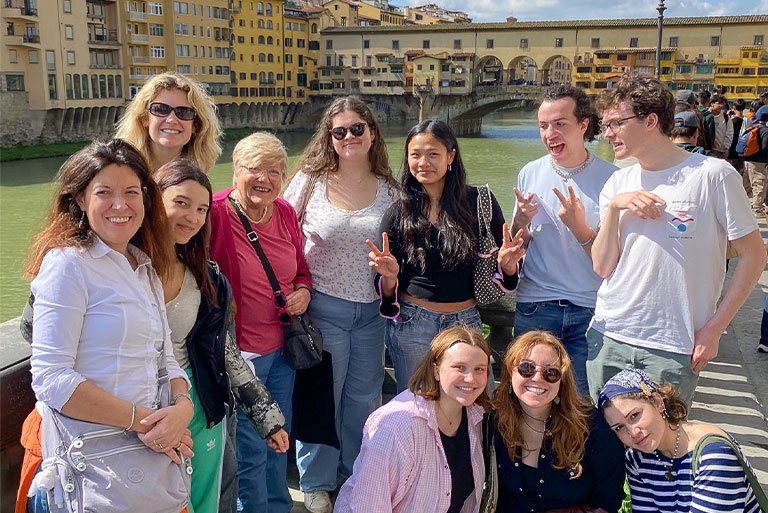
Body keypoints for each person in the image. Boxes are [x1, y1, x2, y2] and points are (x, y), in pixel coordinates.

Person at [25, 139, 192, 511]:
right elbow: (51, 378)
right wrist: (145, 422)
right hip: (91, 464)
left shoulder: (143, 266)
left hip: (141, 460)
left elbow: (166, 360)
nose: (121, 205)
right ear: (81, 199)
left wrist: (183, 407)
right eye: (105, 193)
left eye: (131, 192)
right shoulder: (68, 265)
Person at [588, 75, 765, 405]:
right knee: (606, 445)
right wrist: (615, 208)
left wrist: (714, 329)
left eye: (615, 123)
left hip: (673, 345)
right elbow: (601, 266)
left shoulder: (713, 175)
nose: (607, 133)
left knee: (663, 448)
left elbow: (754, 256)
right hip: (609, 332)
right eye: (605, 124)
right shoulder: (618, 182)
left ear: (651, 120)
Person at [154, 160, 290, 513]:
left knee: (202, 504)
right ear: (153, 200)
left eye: (201, 209)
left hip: (198, 409)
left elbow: (224, 353)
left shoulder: (206, 276)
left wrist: (267, 418)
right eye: (180, 203)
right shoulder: (116, 266)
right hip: (135, 411)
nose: (192, 217)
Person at [283, 96, 397, 513]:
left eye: (357, 129)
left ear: (372, 133)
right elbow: (280, 232)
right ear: (329, 138)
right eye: (339, 131)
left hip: (372, 312)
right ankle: (315, 480)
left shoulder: (391, 188)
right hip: (322, 308)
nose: (349, 137)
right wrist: (295, 285)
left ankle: (354, 472)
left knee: (364, 398)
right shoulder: (310, 180)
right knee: (320, 397)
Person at [369, 119, 524, 392]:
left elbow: (505, 268)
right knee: (417, 405)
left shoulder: (479, 202)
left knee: (477, 404)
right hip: (413, 324)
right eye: (415, 155)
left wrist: (508, 266)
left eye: (433, 154)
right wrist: (390, 276)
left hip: (466, 322)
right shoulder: (399, 211)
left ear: (451, 155)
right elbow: (381, 282)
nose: (423, 162)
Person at [209, 132, 312, 513]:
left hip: (283, 350)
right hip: (241, 356)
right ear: (236, 171)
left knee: (278, 438)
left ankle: (278, 507)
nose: (264, 179)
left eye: (275, 171)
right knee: (251, 449)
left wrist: (303, 291)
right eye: (255, 169)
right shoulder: (216, 212)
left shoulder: (284, 211)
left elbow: (301, 270)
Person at [511, 84, 616, 394]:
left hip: (590, 309)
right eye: (543, 126)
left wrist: (580, 229)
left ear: (583, 125)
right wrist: (520, 220)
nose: (549, 134)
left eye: (560, 124)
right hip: (535, 304)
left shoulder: (611, 179)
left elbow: (614, 261)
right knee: (529, 400)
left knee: (583, 404)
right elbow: (520, 240)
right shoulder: (530, 172)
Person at [334, 325, 491, 513]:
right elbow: (369, 505)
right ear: (436, 371)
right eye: (460, 367)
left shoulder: (476, 417)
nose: (470, 378)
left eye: (479, 369)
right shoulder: (396, 426)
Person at [492, 331, 625, 513]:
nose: (537, 378)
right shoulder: (494, 422)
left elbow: (608, 498)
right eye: (526, 368)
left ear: (562, 381)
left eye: (551, 372)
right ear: (510, 371)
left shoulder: (590, 426)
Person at [599, 368, 763, 513]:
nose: (633, 432)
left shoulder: (714, 455)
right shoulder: (637, 459)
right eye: (619, 427)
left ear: (657, 401)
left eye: (634, 416)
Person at [115, 71, 222, 173]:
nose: (171, 119)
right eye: (160, 109)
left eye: (183, 112)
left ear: (196, 125)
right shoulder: (120, 171)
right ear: (144, 118)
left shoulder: (195, 183)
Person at [744, 105, 768, 218]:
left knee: (746, 185)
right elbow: (765, 147)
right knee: (759, 184)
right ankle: (757, 209)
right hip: (759, 161)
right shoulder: (765, 131)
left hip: (747, 159)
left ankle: (740, 205)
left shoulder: (752, 127)